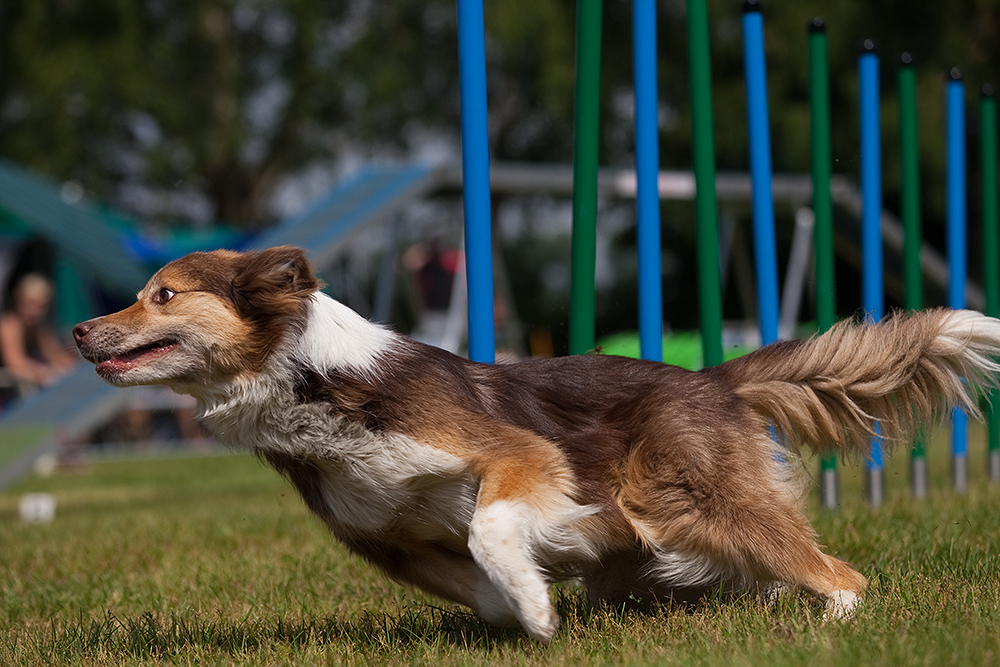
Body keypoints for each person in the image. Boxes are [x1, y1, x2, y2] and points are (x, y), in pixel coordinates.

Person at [0, 274, 76, 394]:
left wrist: (75, 370)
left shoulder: (38, 327)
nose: (34, 312)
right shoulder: (8, 326)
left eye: (40, 306)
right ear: (18, 300)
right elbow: (16, 363)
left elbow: (56, 355)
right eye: (30, 304)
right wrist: (47, 373)